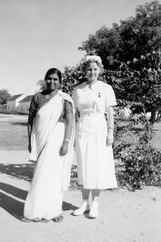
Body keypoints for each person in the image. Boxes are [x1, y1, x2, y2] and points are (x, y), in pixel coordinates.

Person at [22, 68, 74, 223]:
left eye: (55, 79)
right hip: (40, 139)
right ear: (45, 79)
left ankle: (53, 211)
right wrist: (30, 142)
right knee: (39, 174)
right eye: (49, 78)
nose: (52, 82)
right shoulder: (37, 97)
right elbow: (31, 121)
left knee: (53, 176)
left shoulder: (64, 99)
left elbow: (70, 122)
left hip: (57, 140)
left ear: (60, 82)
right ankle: (34, 212)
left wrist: (66, 142)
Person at [72, 55, 117, 219]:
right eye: (89, 69)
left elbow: (110, 112)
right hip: (82, 129)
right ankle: (84, 203)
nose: (92, 72)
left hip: (100, 129)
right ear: (85, 71)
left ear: (100, 70)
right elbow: (73, 112)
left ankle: (95, 204)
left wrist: (110, 131)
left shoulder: (106, 88)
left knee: (97, 166)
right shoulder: (78, 90)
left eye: (95, 69)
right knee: (83, 165)